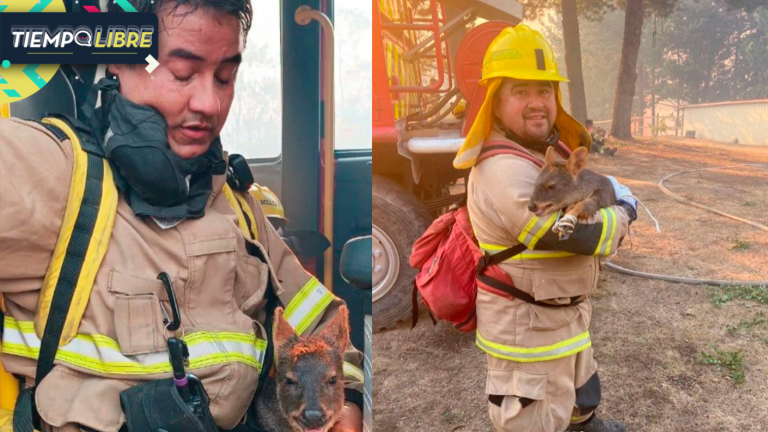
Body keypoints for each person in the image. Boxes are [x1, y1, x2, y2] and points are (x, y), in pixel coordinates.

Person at [0, 0, 364, 431]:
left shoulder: (235, 200)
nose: (210, 103)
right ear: (118, 56)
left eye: (226, 77)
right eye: (182, 73)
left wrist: (350, 405)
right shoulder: (51, 170)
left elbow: (322, 321)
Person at [453, 25, 637, 432]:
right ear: (495, 103)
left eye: (545, 91)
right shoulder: (501, 167)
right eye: (521, 92)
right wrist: (625, 211)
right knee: (536, 418)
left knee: (578, 393)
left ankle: (584, 424)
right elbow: (573, 233)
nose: (537, 103)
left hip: (560, 316)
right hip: (527, 330)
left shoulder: (540, 155)